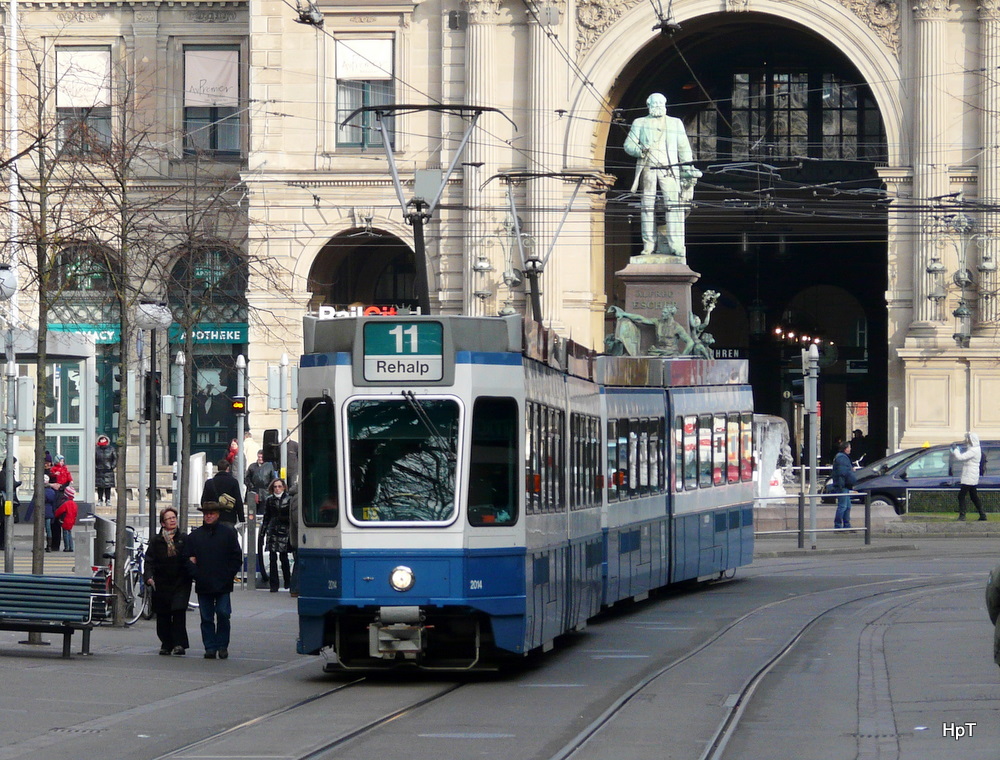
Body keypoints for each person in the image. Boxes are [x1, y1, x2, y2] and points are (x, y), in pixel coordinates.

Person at [623, 92, 702, 259]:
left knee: (673, 206)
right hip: (648, 169)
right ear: (648, 105)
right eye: (655, 103)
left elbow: (684, 149)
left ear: (665, 105)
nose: (658, 106)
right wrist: (640, 151)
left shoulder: (675, 123)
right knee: (647, 207)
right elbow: (628, 145)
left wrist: (687, 168)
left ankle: (676, 245)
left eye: (661, 103)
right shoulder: (640, 122)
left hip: (670, 170)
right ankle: (649, 245)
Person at [182, 501, 243, 659]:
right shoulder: (195, 536)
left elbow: (236, 557)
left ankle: (222, 645)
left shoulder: (228, 533)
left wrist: (228, 574)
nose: (209, 516)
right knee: (206, 617)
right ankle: (210, 647)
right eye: (206, 513)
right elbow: (187, 559)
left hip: (223, 582)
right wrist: (197, 574)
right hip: (204, 583)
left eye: (212, 513)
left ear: (218, 514)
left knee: (223, 613)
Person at [145, 507, 192, 656]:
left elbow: (189, 558)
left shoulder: (183, 539)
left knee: (178, 612)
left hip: (180, 581)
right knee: (163, 614)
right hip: (162, 582)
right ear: (162, 523)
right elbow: (149, 561)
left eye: (174, 518)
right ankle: (166, 643)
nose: (172, 520)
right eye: (169, 518)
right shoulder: (156, 541)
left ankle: (179, 644)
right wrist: (149, 577)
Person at [261, 478, 292, 592]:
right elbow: (266, 517)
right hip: (273, 529)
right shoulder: (269, 500)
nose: (277, 489)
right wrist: (263, 532)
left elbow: (291, 516)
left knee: (284, 558)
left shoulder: (289, 499)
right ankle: (274, 585)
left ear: (283, 487)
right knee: (272, 558)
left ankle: (288, 583)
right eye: (275, 487)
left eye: (279, 486)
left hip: (285, 530)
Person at [952, 432, 986, 521]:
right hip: (972, 474)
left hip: (969, 474)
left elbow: (960, 457)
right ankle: (982, 515)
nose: (966, 441)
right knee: (973, 496)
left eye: (968, 439)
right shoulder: (975, 448)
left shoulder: (973, 450)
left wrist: (955, 449)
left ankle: (962, 515)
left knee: (961, 495)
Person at [200, 459, 245, 525]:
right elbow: (238, 502)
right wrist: (241, 519)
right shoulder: (233, 482)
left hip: (213, 519)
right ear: (228, 468)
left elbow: (203, 501)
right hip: (229, 518)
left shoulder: (209, 483)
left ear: (218, 468)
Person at [831, 440, 857, 529]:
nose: (850, 449)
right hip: (842, 485)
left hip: (844, 485)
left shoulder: (842, 457)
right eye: (849, 447)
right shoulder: (842, 458)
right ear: (846, 449)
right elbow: (843, 473)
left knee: (847, 506)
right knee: (843, 506)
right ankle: (838, 526)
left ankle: (847, 525)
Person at [245, 450, 276, 515]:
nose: (260, 459)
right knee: (253, 511)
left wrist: (269, 488)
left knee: (263, 511)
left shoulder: (269, 467)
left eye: (261, 457)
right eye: (259, 457)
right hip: (254, 492)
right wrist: (251, 486)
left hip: (265, 493)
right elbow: (247, 478)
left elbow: (273, 479)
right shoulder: (252, 466)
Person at [95, 435, 117, 507]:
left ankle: (108, 500)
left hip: (108, 470)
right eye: (101, 439)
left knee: (108, 486)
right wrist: (96, 467)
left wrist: (112, 466)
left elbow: (115, 459)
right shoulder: (96, 449)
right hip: (99, 470)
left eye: (104, 439)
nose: (102, 441)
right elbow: (93, 458)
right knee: (100, 487)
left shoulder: (111, 449)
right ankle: (100, 499)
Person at [54, 486, 78, 552]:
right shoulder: (74, 504)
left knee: (65, 534)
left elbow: (59, 511)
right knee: (70, 534)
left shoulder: (66, 503)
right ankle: (71, 547)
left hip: (65, 521)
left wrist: (55, 515)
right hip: (71, 521)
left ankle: (66, 547)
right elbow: (75, 514)